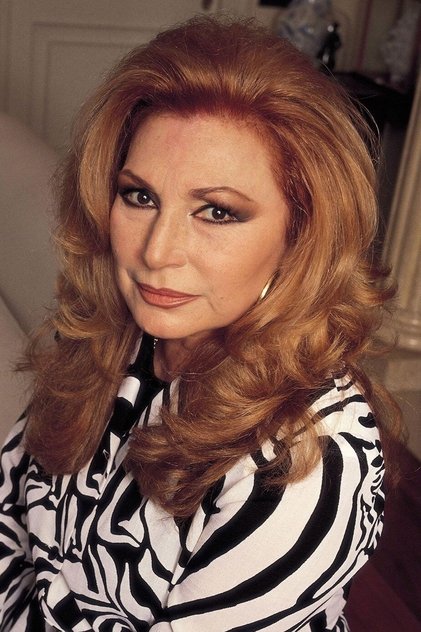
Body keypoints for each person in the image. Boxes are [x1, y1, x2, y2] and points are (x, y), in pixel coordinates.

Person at [0, 15, 401, 632]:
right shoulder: (110, 335)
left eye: (216, 212)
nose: (157, 252)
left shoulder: (308, 465)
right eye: (140, 196)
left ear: (300, 236)